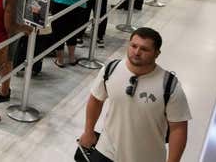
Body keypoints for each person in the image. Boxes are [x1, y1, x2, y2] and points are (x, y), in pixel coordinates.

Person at [79, 28, 191, 162]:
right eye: (133, 46)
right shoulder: (110, 69)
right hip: (106, 151)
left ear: (157, 53)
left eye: (144, 49)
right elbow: (96, 100)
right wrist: (88, 131)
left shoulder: (169, 85)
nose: (137, 52)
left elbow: (178, 128)